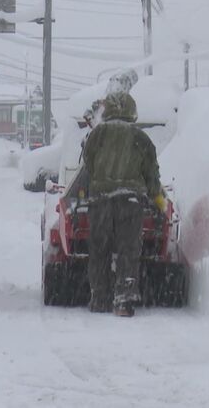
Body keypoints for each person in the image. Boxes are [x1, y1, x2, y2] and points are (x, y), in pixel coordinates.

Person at [82, 92, 164, 317]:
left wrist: (102, 180)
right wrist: (159, 200)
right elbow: (151, 175)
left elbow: (88, 164)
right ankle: (123, 301)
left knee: (100, 249)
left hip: (100, 201)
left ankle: (99, 298)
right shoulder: (140, 137)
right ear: (132, 111)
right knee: (129, 249)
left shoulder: (97, 134)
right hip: (131, 201)